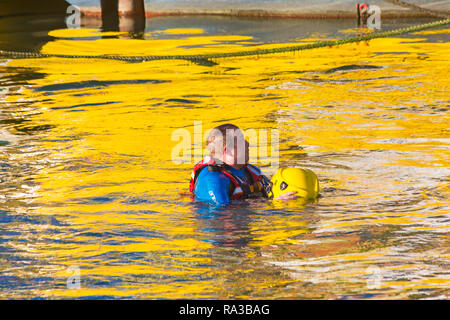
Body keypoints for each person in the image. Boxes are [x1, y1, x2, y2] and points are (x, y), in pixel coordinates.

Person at [189, 124, 297, 205]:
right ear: (228, 151)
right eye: (241, 141)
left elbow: (272, 192)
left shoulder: (251, 170)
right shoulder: (213, 179)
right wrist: (272, 205)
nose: (248, 144)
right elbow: (221, 217)